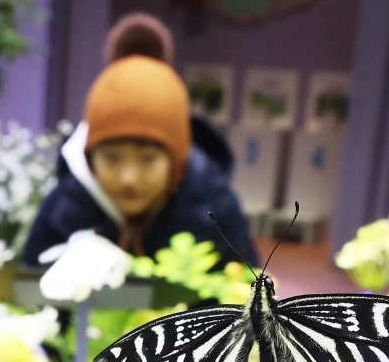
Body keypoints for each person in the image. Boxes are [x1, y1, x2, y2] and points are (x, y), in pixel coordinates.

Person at [22, 13, 257, 269]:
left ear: (177, 162)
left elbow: (247, 292)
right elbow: (28, 292)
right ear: (90, 159)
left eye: (147, 159)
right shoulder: (64, 207)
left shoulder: (216, 212)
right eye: (111, 158)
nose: (129, 178)